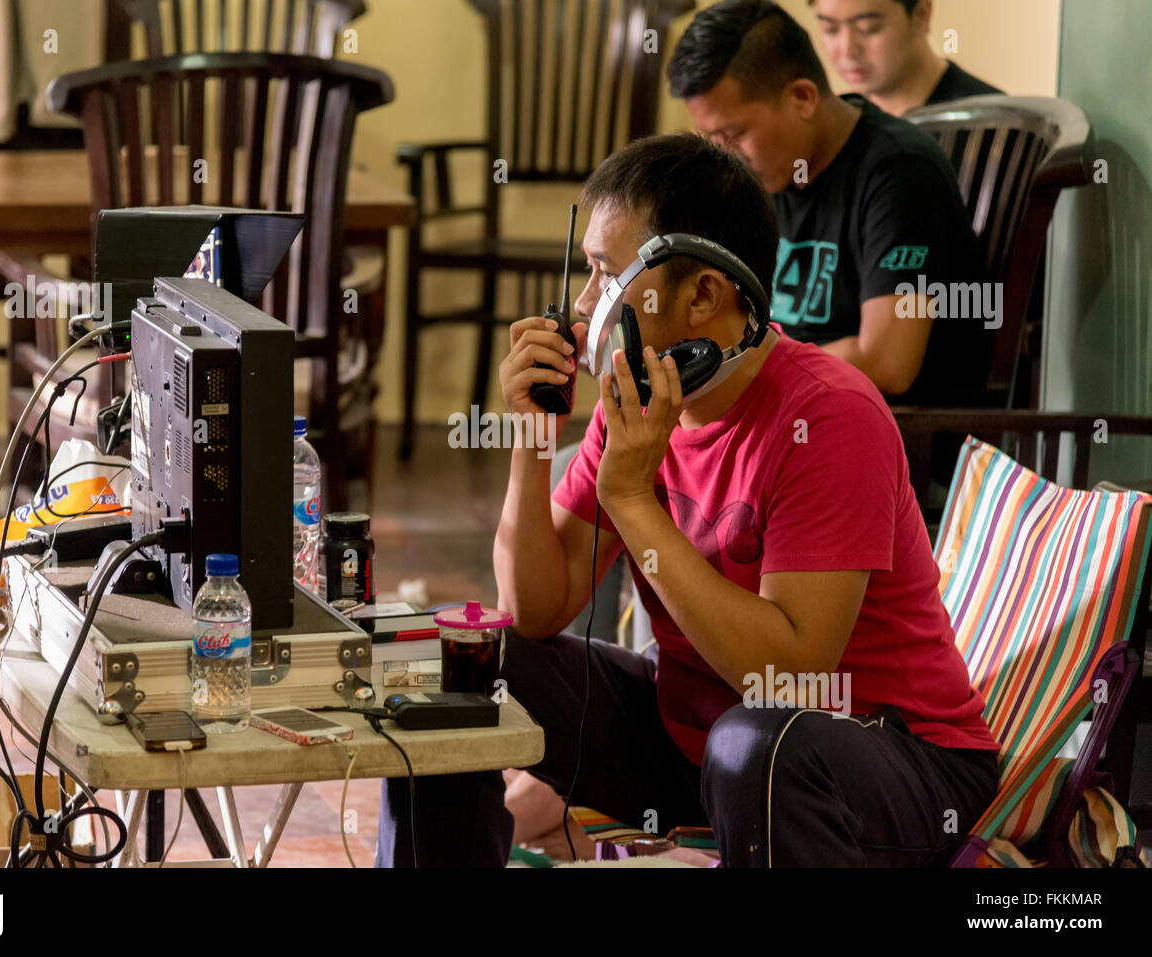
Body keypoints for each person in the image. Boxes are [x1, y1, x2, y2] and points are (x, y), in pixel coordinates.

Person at [374, 132, 999, 868]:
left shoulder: (830, 416)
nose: (583, 306)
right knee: (462, 660)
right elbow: (535, 608)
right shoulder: (633, 402)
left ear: (703, 293)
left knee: (757, 745)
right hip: (704, 742)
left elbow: (788, 674)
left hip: (884, 759)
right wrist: (532, 439)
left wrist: (635, 504)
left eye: (606, 276)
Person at [667, 0, 994, 411]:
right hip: (778, 410)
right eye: (711, 136)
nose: (724, 153)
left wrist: (735, 367)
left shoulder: (901, 172)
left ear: (802, 98)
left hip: (874, 432)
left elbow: (888, 362)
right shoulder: (767, 171)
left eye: (733, 134)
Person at [810, 0, 1003, 116]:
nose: (847, 50)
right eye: (831, 30)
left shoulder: (997, 124)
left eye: (868, 27)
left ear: (921, 14)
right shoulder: (836, 128)